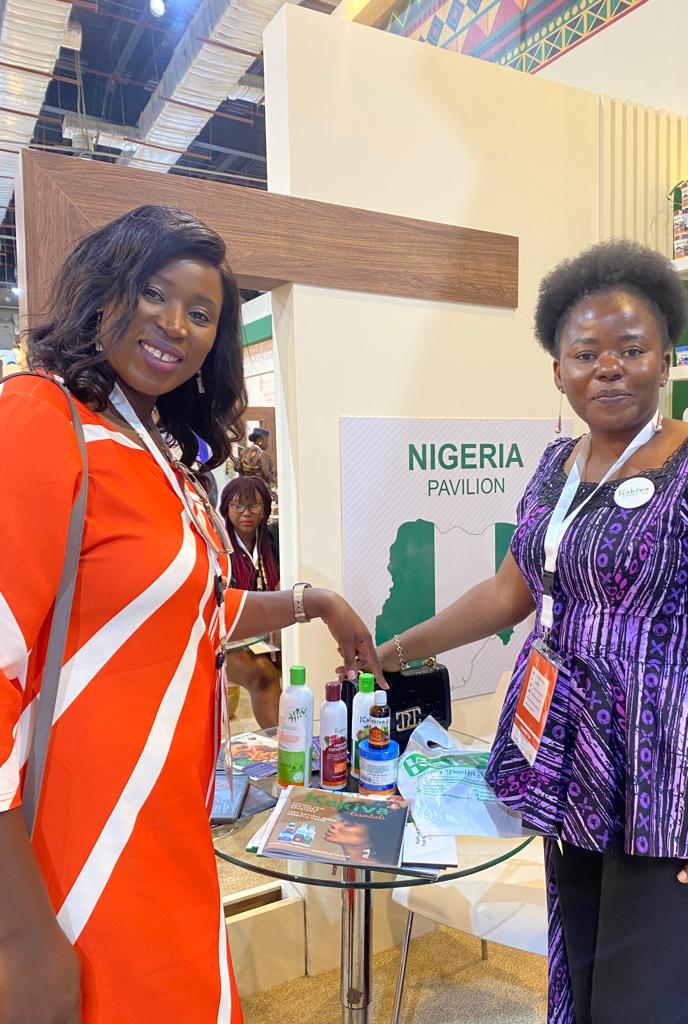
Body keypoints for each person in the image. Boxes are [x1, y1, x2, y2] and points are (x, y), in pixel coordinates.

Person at [0, 204, 382, 1024]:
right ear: (104, 289)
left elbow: (182, 610)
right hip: (75, 846)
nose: (175, 324)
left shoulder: (157, 454)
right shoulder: (40, 418)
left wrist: (310, 601)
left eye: (201, 312)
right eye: (154, 292)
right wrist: (19, 934)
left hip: (167, 825)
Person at [377, 240, 688, 1024]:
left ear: (665, 360)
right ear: (558, 371)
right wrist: (390, 651)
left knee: (645, 1003)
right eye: (586, 354)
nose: (609, 369)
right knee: (584, 989)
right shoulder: (558, 465)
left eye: (632, 349)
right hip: (575, 766)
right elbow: (509, 592)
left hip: (677, 782)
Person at [220, 475, 281, 726]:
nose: (246, 513)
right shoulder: (217, 543)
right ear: (226, 508)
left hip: (267, 632)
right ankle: (283, 742)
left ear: (265, 508)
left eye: (254, 505)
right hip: (228, 635)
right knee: (262, 673)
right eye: (238, 506)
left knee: (294, 661)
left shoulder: (276, 539)